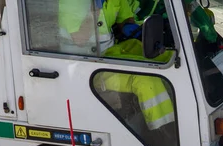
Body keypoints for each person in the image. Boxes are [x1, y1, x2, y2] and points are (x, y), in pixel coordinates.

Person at [58, 0, 175, 132]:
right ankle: (163, 130)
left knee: (168, 58)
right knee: (147, 78)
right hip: (85, 64)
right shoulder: (72, 3)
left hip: (109, 51)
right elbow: (80, 38)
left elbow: (125, 19)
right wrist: (94, 12)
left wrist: (134, 28)